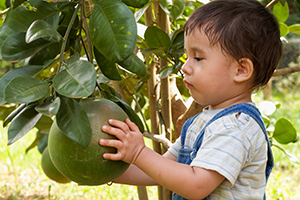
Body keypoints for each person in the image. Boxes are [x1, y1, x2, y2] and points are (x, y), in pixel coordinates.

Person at [99, 0, 282, 199]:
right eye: (187, 56)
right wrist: (102, 172)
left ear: (240, 70)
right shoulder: (203, 122)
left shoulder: (235, 128)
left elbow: (196, 185)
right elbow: (164, 168)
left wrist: (139, 153)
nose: (185, 67)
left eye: (198, 58)